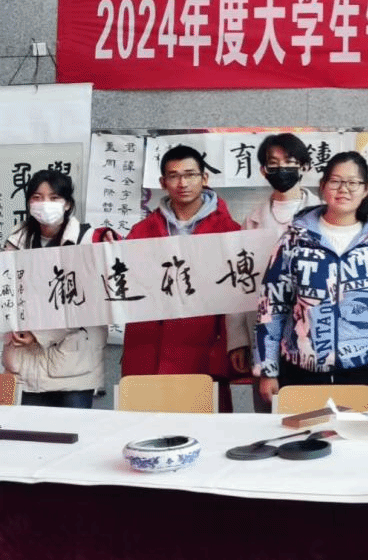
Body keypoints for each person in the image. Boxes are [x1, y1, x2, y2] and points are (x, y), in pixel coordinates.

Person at [255, 151, 368, 409]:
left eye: (353, 183)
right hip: (302, 371)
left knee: (358, 435)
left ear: (366, 190)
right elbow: (271, 306)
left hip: (365, 370)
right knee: (304, 433)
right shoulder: (294, 240)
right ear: (323, 186)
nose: (343, 189)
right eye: (335, 181)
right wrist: (267, 369)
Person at [122, 145, 244, 410]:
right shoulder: (141, 232)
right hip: (148, 352)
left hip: (202, 350)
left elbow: (238, 298)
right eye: (174, 176)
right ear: (162, 182)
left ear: (204, 178)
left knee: (201, 428)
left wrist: (235, 345)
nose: (182, 183)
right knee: (144, 427)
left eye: (190, 174)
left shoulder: (230, 231)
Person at [2, 171, 111, 408]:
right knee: (24, 431)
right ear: (28, 203)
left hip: (73, 370)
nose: (45, 204)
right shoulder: (15, 240)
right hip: (23, 367)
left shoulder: (87, 240)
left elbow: (87, 303)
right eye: (37, 197)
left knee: (72, 431)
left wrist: (39, 334)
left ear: (68, 203)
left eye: (54, 198)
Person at [239, 132, 318, 411]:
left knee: (311, 415)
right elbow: (238, 285)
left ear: (305, 166)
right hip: (263, 334)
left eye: (290, 161)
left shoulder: (323, 214)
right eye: (274, 163)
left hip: (311, 335)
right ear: (263, 170)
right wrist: (237, 340)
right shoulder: (251, 220)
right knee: (267, 414)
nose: (282, 169)